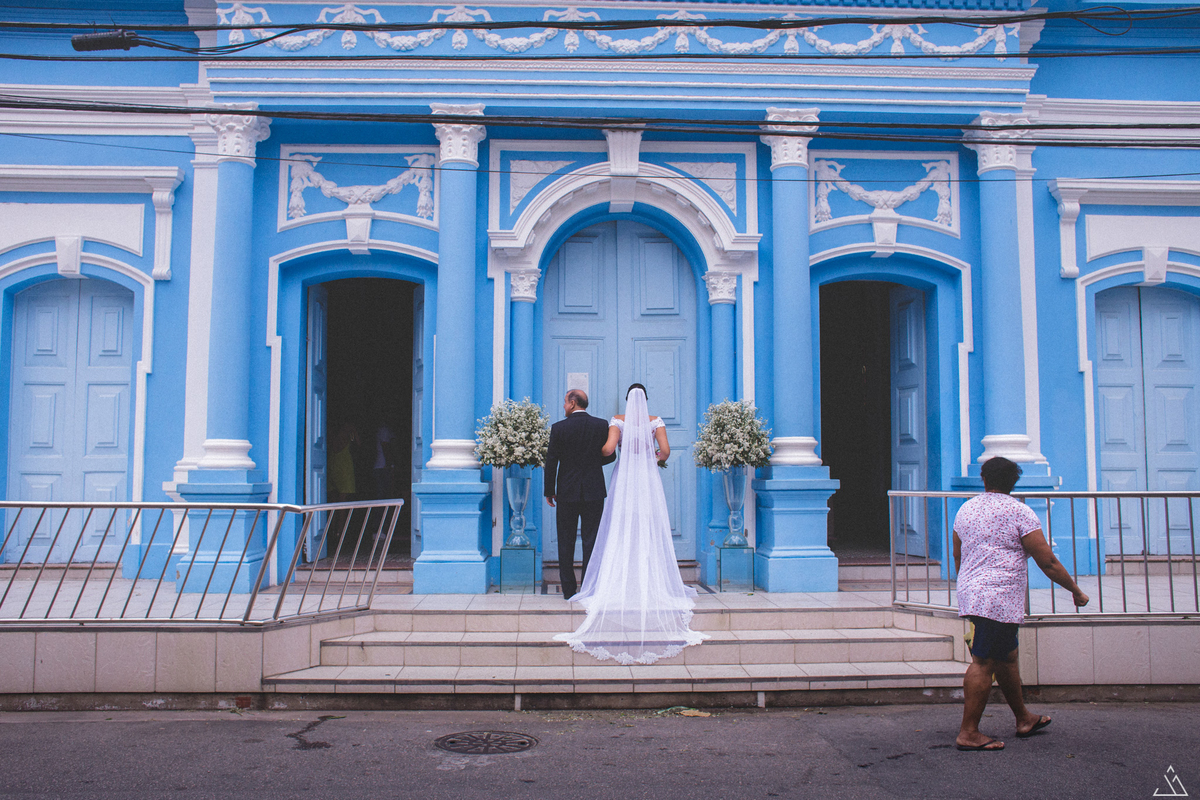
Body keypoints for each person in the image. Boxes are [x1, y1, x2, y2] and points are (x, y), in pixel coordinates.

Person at [554, 384, 708, 665]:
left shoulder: (618, 421)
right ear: (646, 400)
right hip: (647, 480)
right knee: (648, 529)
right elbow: (666, 451)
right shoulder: (655, 422)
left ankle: (606, 580)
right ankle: (649, 580)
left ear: (627, 400)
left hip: (625, 480)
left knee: (619, 529)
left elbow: (608, 449)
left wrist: (598, 453)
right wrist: (652, 461)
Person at [952, 456, 1089, 752]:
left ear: (983, 478)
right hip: (998, 596)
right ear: (1014, 483)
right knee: (984, 661)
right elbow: (1048, 562)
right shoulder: (1020, 513)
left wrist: (969, 584)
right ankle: (968, 732)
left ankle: (1024, 718)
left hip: (975, 591)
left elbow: (958, 554)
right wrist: (1075, 591)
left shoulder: (966, 508)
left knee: (1007, 657)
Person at [543, 389, 616, 599]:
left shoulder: (558, 428)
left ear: (573, 403)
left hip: (566, 491)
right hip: (594, 491)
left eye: (565, 403)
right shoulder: (601, 425)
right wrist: (593, 463)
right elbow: (610, 456)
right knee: (591, 540)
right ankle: (589, 587)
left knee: (565, 540)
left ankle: (568, 590)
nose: (564, 407)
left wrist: (550, 490)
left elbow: (552, 461)